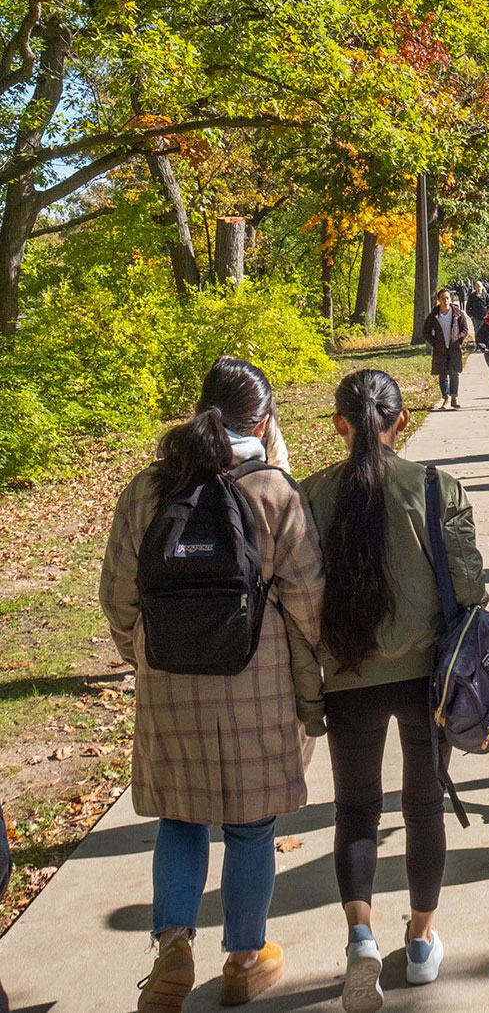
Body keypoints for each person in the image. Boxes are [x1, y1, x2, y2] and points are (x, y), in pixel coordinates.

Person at [99, 356, 325, 1012]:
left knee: (180, 817)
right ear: (264, 419)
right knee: (251, 828)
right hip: (255, 687)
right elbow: (310, 602)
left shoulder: (147, 490)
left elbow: (117, 596)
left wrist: (143, 656)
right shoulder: (273, 492)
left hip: (169, 684)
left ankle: (172, 945)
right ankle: (245, 959)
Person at [289, 369, 487, 1012]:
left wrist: (311, 693)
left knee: (356, 812)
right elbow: (471, 587)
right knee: (425, 810)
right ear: (400, 421)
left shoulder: (311, 496)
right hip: (429, 677)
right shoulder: (436, 488)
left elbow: (298, 598)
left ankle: (360, 939)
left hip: (348, 679)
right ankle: (423, 941)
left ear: (342, 426)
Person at [422, 288, 470, 410]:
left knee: (454, 373)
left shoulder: (457, 313)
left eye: (447, 298)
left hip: (454, 348)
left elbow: (464, 329)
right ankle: (446, 397)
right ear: (439, 300)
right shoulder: (434, 315)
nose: (445, 300)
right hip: (440, 350)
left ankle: (453, 397)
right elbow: (426, 331)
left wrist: (459, 339)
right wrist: (435, 343)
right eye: (443, 298)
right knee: (443, 374)